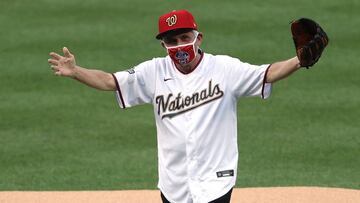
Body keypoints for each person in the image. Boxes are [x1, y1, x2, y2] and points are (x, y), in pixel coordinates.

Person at [48, 10, 303, 203]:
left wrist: (299, 60)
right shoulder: (153, 71)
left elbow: (267, 73)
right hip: (174, 184)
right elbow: (110, 81)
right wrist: (75, 71)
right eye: (172, 41)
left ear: (199, 38)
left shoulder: (225, 68)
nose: (179, 45)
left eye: (184, 37)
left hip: (215, 180)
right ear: (163, 45)